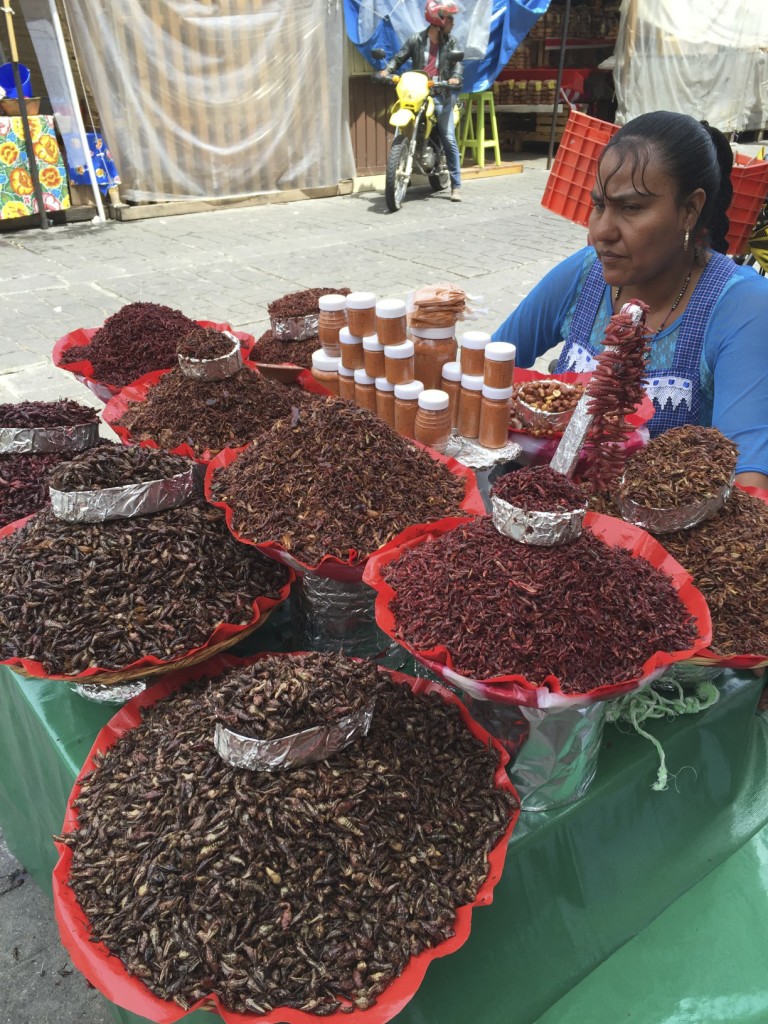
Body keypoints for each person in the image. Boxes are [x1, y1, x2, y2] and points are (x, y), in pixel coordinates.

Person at [493, 110, 768, 489]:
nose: (601, 232)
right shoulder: (584, 273)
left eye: (631, 208)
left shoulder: (743, 307)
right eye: (600, 205)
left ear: (689, 210)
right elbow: (492, 365)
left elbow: (748, 480)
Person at [379, 1, 464, 202]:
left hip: (441, 93)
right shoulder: (416, 40)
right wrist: (387, 70)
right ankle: (403, 166)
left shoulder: (451, 43)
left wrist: (455, 78)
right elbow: (398, 58)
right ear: (438, 20)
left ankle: (456, 184)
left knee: (447, 136)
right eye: (449, 18)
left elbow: (457, 65)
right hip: (418, 91)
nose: (452, 22)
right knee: (404, 123)